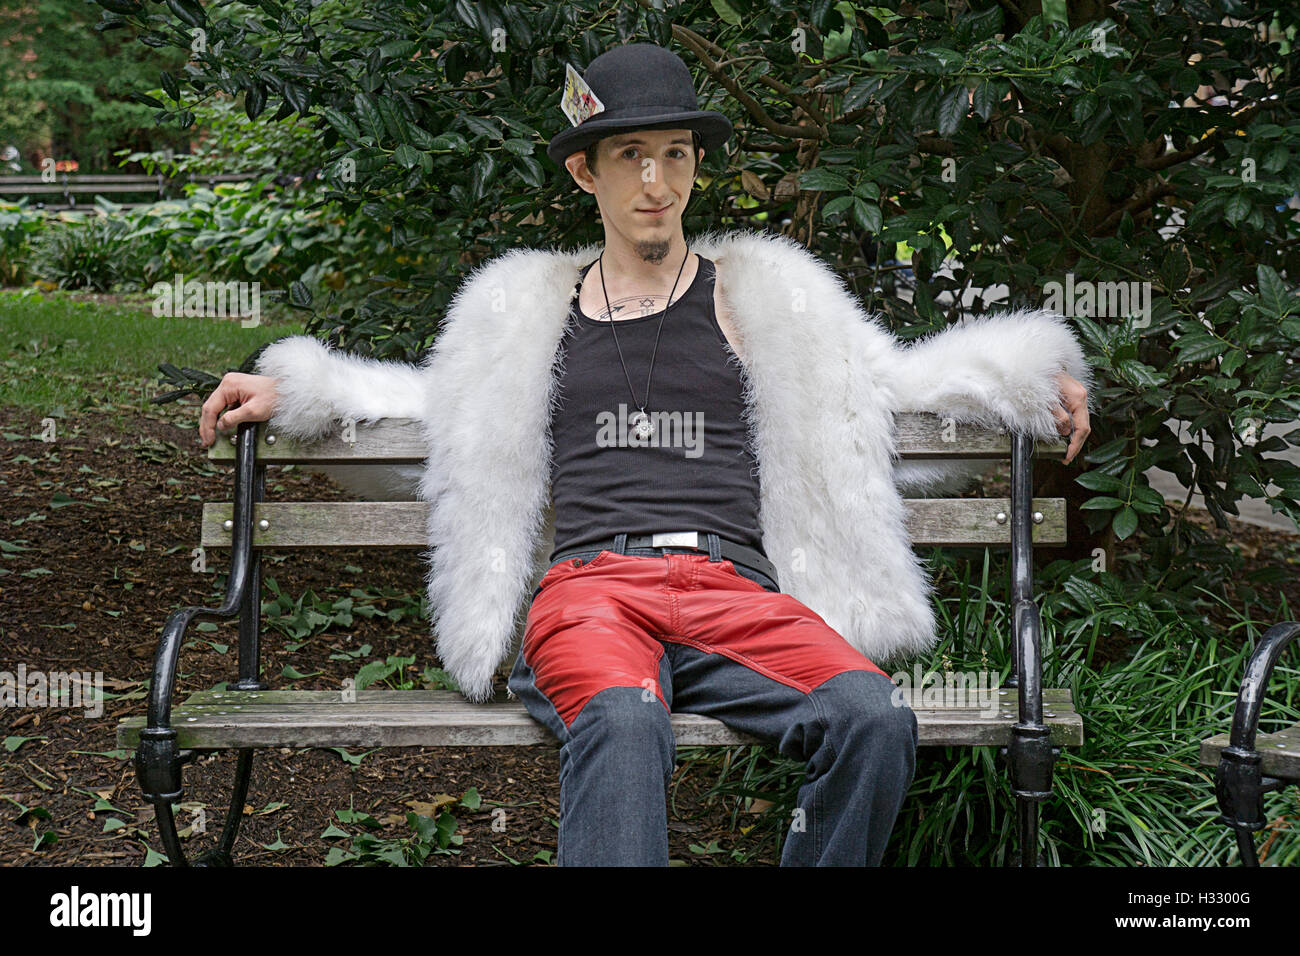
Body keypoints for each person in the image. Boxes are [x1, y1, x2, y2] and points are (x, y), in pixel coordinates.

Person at [198, 42, 1093, 866]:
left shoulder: (763, 301)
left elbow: (887, 394)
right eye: (630, 155)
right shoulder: (525, 312)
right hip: (592, 591)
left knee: (873, 718)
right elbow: (439, 418)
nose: (655, 180)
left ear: (697, 168)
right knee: (626, 720)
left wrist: (1023, 377)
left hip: (734, 592)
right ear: (585, 170)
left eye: (675, 154)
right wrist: (303, 393)